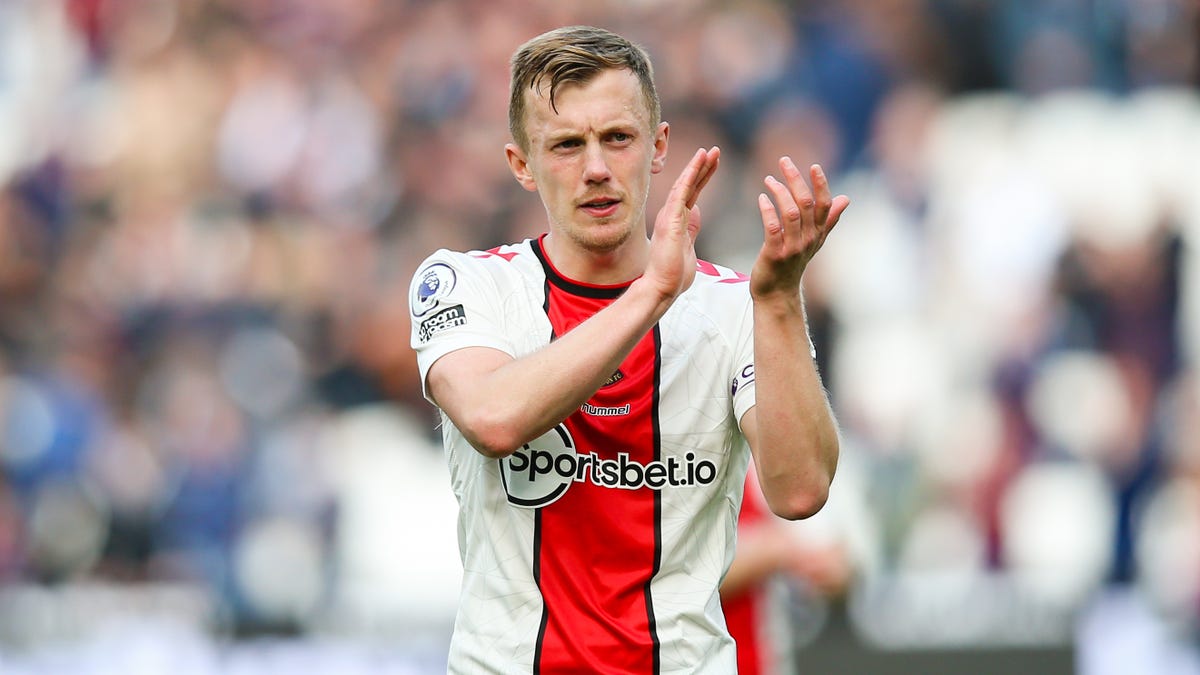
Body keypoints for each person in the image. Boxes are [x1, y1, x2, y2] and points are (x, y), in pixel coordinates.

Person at [408, 25, 849, 674]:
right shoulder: (468, 285)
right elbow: (492, 419)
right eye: (565, 144)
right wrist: (653, 295)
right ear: (521, 164)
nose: (595, 168)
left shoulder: (733, 307)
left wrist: (781, 298)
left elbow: (801, 489)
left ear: (659, 145)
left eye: (617, 137)